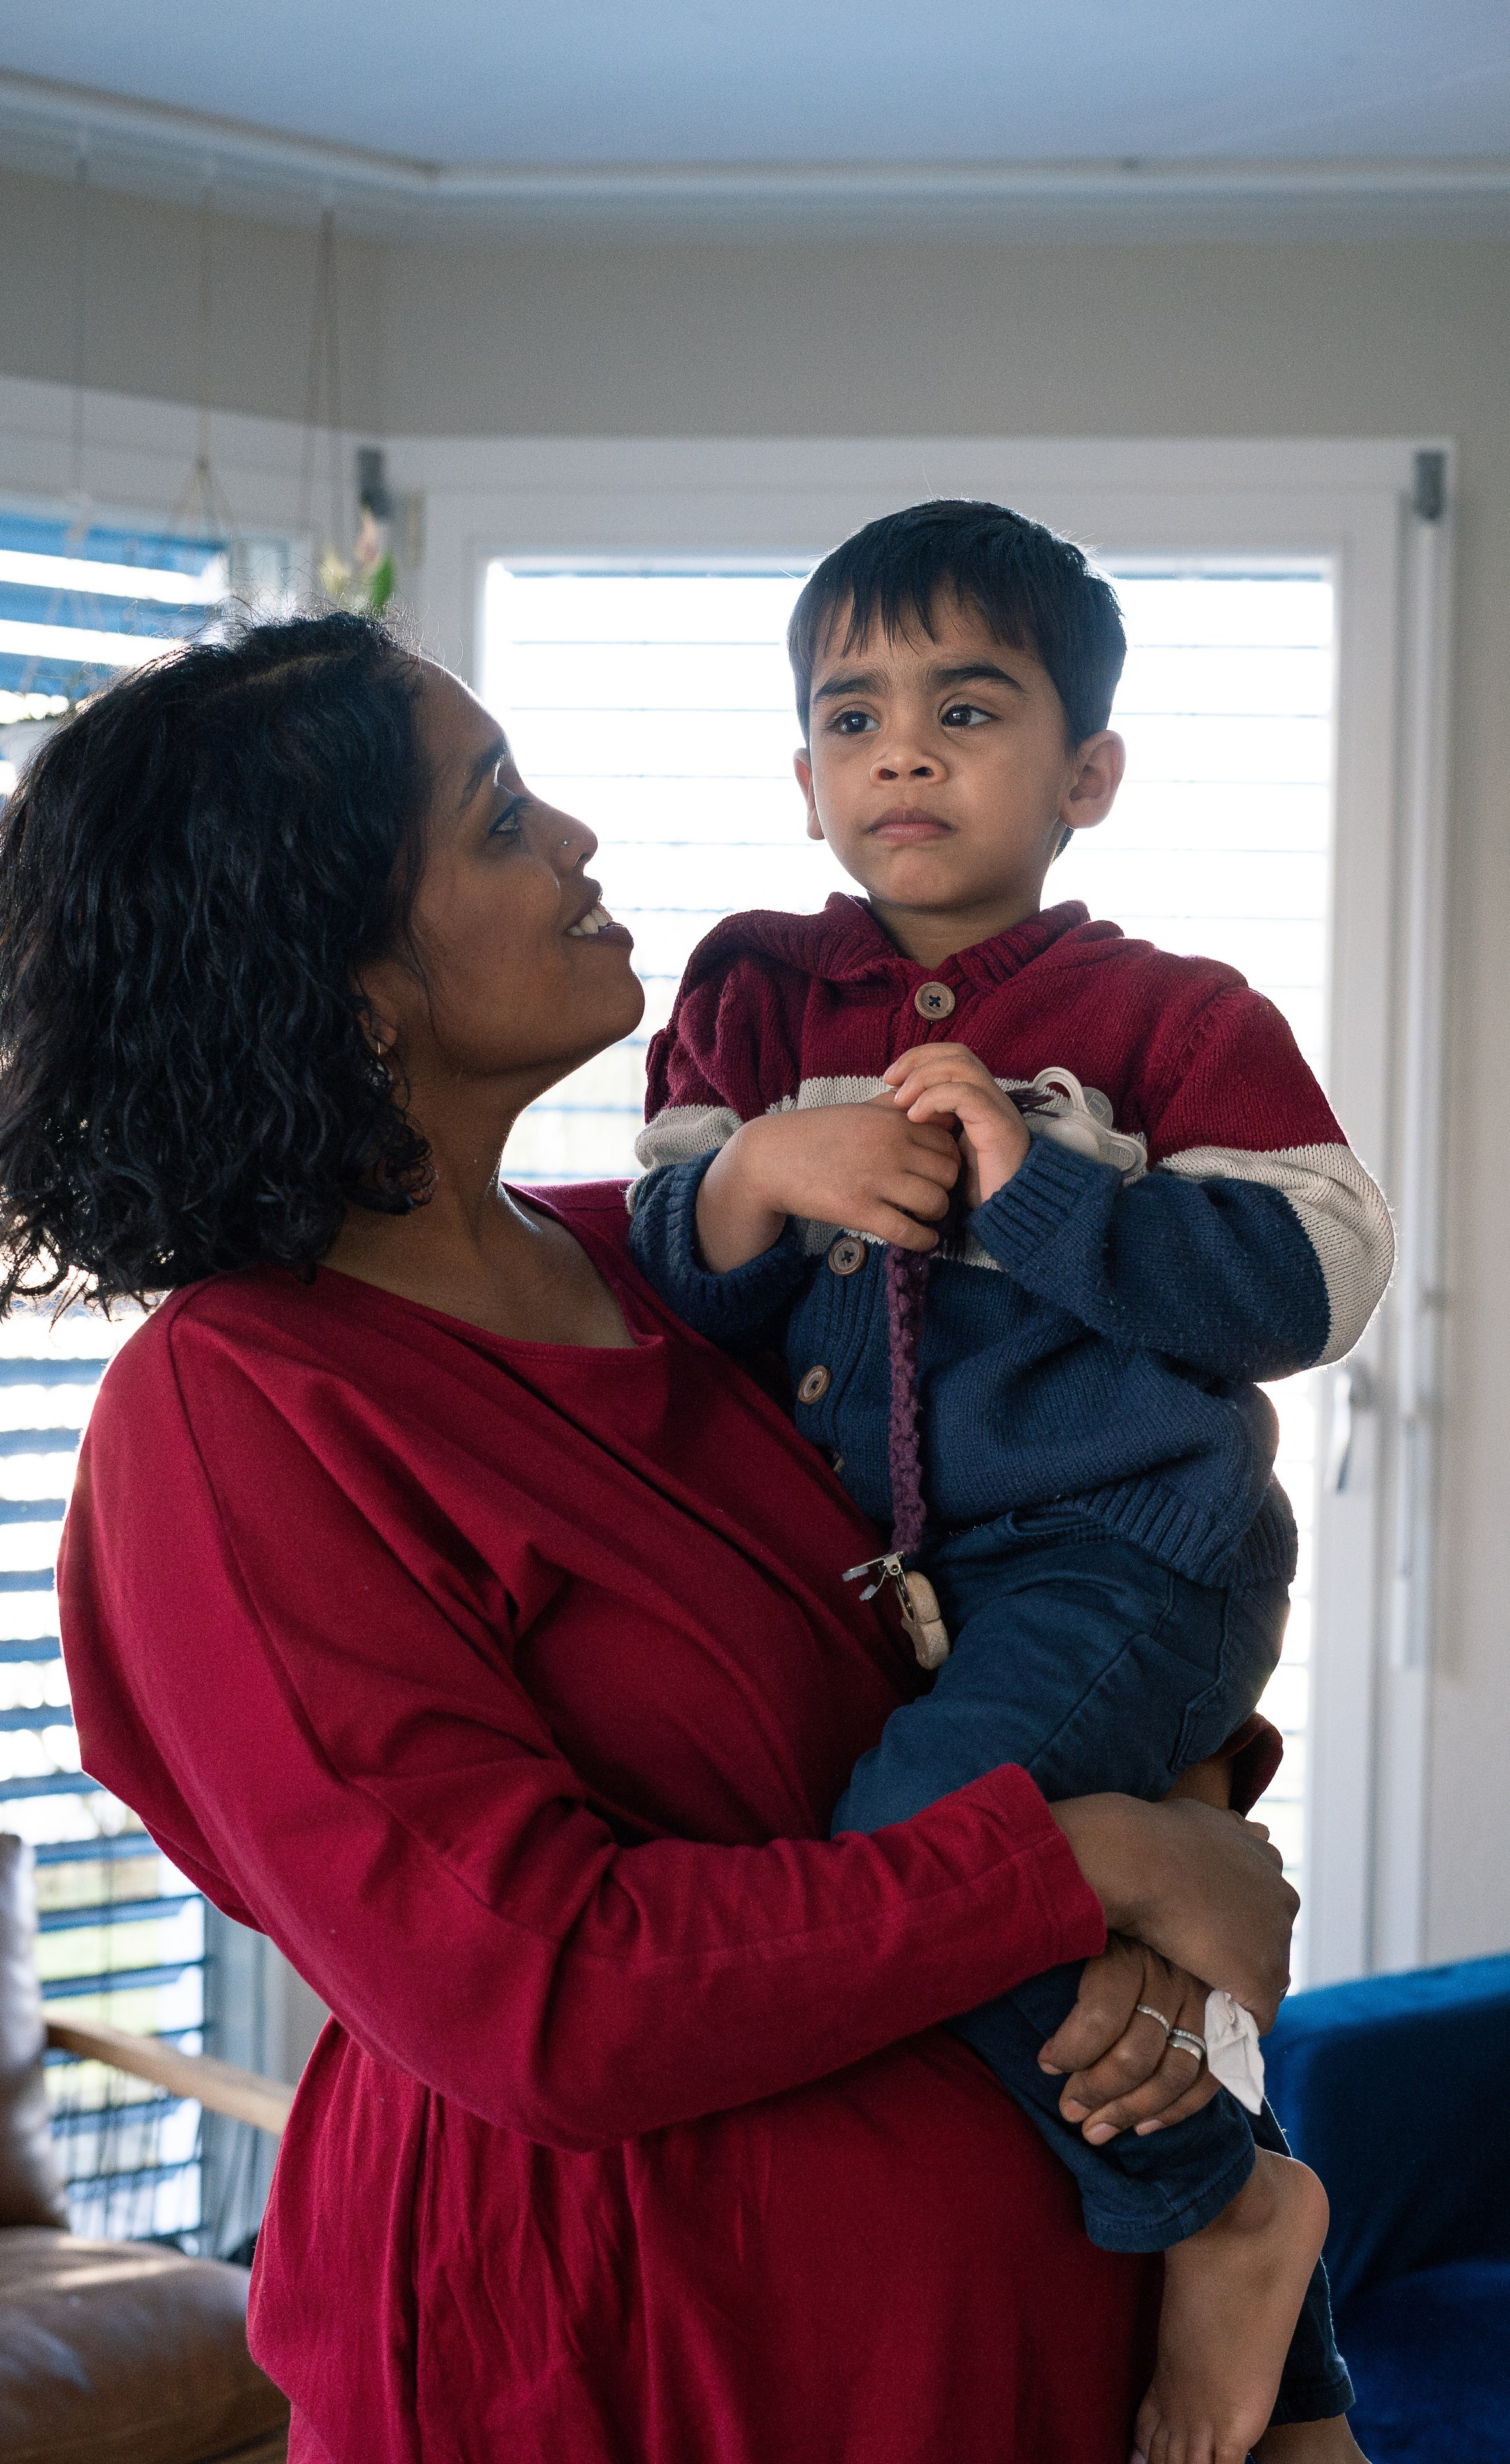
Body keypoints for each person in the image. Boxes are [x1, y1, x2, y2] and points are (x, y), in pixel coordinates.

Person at [0, 610, 1309, 2464]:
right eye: (498, 819)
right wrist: (1079, 1872)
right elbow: (540, 1990)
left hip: (1010, 2353)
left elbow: (1050, 1591)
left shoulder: (714, 1277)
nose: (577, 838)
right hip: (614, 2375)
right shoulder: (243, 1411)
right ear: (347, 987)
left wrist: (1159, 1894)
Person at [630, 501, 1391, 2463]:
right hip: (880, 1590)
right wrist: (750, 1182)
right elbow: (654, 1268)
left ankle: (1217, 2203)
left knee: (915, 1836)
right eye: (854, 715)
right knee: (1068, 1942)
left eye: (968, 709)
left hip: (1131, 1553)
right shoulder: (748, 999)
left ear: (1089, 774)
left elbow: (1313, 1280)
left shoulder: (1173, 1018)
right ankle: (1289, 2374)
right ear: (807, 781)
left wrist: (1043, 1188)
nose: (905, 751)